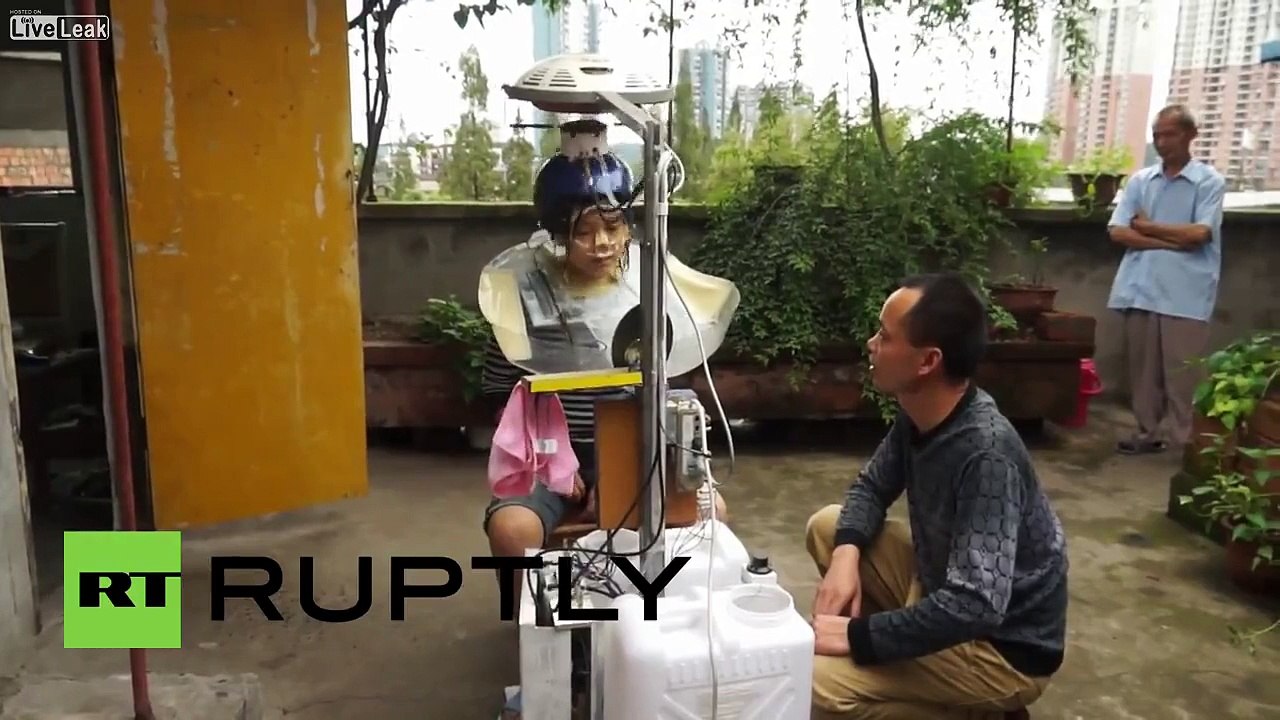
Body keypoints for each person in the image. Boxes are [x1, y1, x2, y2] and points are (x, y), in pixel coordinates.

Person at [804, 273, 1069, 720]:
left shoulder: (986, 452)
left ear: (927, 362)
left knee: (812, 684)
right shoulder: (920, 414)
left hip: (1001, 649)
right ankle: (915, 675)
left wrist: (858, 638)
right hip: (941, 587)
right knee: (830, 527)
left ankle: (975, 709)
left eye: (885, 337)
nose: (871, 344)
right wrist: (846, 557)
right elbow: (871, 486)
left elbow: (976, 605)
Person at [1105, 104, 1226, 455]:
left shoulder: (1208, 182)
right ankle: (1147, 433)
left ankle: (1188, 441)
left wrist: (1148, 227)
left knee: (1183, 372)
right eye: (1156, 134)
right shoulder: (1142, 181)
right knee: (1143, 373)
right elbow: (1117, 231)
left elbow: (1199, 234)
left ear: (1190, 135)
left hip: (1186, 291)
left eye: (1169, 133)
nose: (1160, 141)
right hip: (1140, 286)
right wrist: (1166, 240)